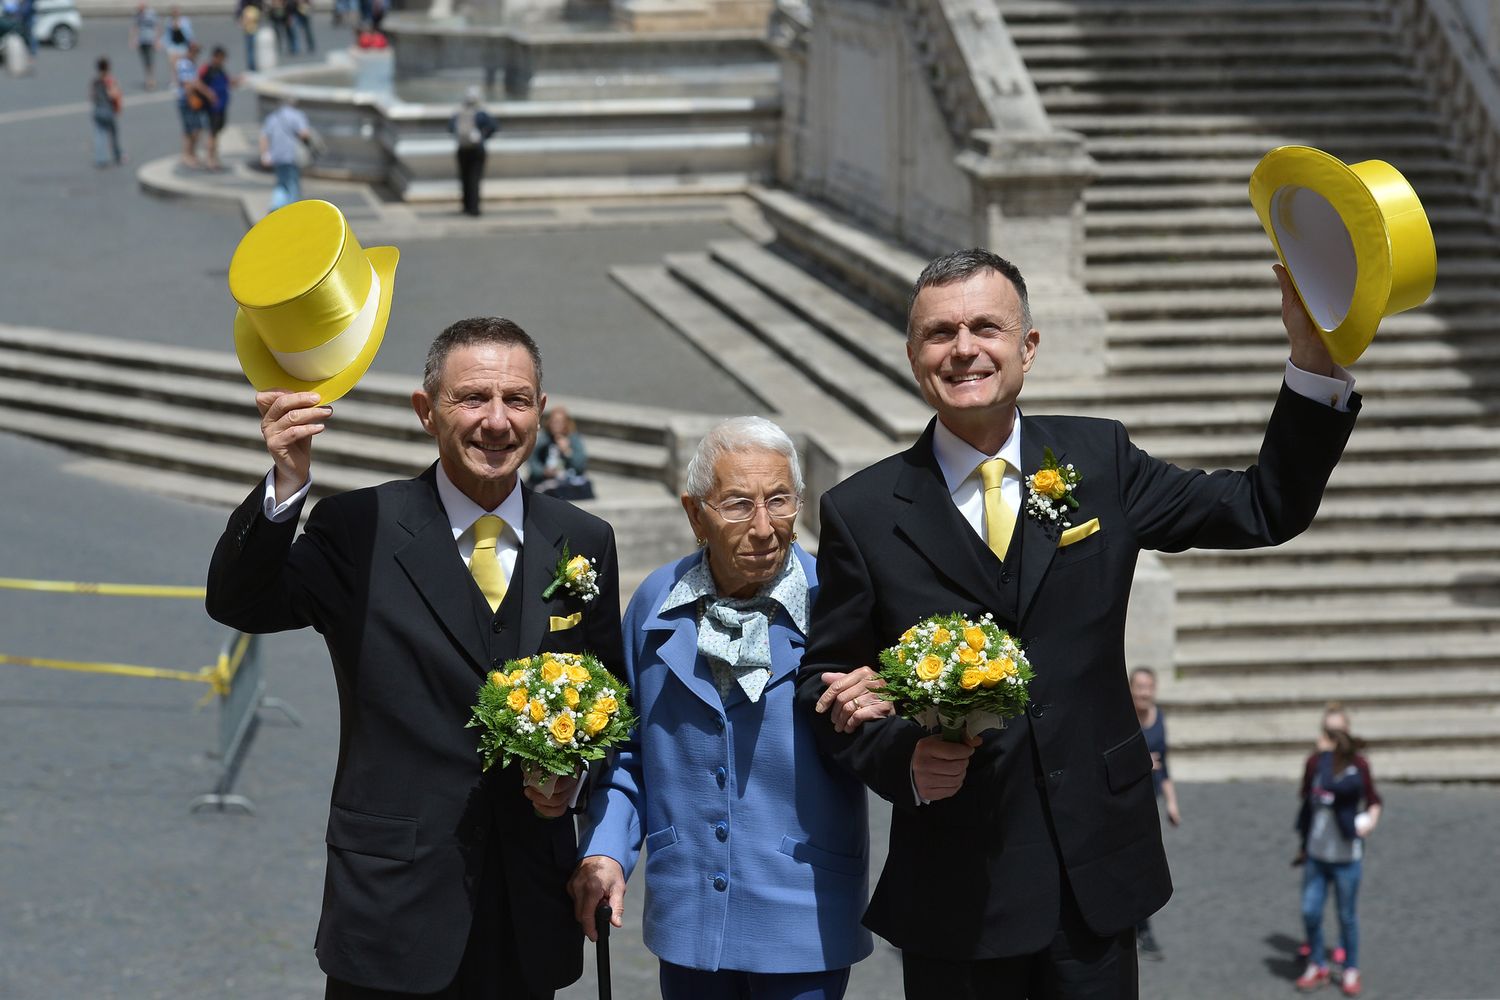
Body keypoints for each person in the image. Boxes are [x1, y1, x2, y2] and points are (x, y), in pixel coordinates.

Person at [795, 247, 1360, 999]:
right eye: (939, 333)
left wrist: (1311, 362)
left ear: (1028, 346)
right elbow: (825, 686)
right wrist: (902, 756)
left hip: (1095, 869)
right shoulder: (862, 511)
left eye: (986, 327)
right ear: (912, 355)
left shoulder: (1101, 458)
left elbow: (1263, 507)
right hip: (958, 889)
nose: (963, 349)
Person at [207, 315, 624, 998]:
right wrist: (286, 482)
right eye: (473, 398)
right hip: (392, 909)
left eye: (517, 400)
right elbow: (241, 603)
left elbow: (611, 703)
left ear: (541, 410)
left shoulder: (584, 538)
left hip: (527, 912)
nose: (497, 421)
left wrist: (574, 779)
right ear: (426, 411)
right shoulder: (359, 527)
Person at [570, 416, 884, 999]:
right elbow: (627, 750)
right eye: (739, 504)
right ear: (695, 515)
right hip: (688, 912)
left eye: (780, 500)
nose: (764, 527)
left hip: (804, 913)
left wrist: (886, 702)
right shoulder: (655, 604)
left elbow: (879, 741)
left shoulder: (839, 602)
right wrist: (607, 849)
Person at [1294, 728, 1382, 997]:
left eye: (1324, 741)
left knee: (1346, 917)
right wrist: (1303, 845)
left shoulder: (1353, 775)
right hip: (1317, 856)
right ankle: (1317, 963)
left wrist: (1368, 822)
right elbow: (1307, 803)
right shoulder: (1318, 767)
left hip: (1345, 859)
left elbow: (1352, 794)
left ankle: (1350, 968)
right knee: (1310, 911)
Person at [1129, 666, 1179, 960]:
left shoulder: (1159, 719)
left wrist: (1172, 803)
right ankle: (1137, 929)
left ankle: (1143, 929)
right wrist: (1141, 761)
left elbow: (1164, 765)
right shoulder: (1122, 718)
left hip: (1149, 804)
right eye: (1139, 687)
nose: (1144, 693)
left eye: (1148, 687)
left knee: (1145, 866)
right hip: (1124, 804)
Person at [449, 86, 496, 217]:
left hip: (462, 149)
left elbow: (451, 128)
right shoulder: (481, 112)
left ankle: (466, 206)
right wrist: (483, 137)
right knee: (474, 178)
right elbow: (494, 127)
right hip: (477, 149)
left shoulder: (459, 111)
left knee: (464, 178)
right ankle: (474, 208)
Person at [529, 406, 593, 500]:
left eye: (559, 422)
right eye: (553, 422)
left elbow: (580, 467)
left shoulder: (573, 439)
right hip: (546, 478)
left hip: (567, 479)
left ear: (566, 423)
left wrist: (567, 451)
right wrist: (543, 471)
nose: (556, 425)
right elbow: (533, 461)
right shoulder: (544, 439)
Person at [260, 95, 311, 207]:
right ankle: (293, 209)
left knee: (281, 183)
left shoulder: (273, 117)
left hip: (277, 155)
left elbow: (264, 137)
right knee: (292, 184)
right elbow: (304, 134)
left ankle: (276, 206)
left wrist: (265, 155)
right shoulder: (297, 116)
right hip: (291, 155)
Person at [173, 41, 215, 169]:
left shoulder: (191, 64)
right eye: (196, 51)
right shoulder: (184, 64)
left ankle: (191, 153)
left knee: (195, 129)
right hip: (186, 101)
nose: (197, 54)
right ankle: (187, 154)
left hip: (192, 100)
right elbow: (189, 84)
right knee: (191, 130)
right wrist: (206, 91)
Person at [197, 46, 237, 171]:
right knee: (212, 133)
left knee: (216, 133)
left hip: (221, 107)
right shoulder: (207, 69)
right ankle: (210, 159)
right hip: (213, 108)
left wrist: (236, 81)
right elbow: (197, 82)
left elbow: (227, 82)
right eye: (221, 58)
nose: (222, 61)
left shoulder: (221, 69)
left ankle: (214, 157)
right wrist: (209, 94)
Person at [90, 57, 124, 168]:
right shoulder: (109, 80)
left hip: (98, 110)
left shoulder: (95, 81)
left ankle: (100, 158)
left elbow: (92, 96)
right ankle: (118, 156)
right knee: (113, 135)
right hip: (108, 110)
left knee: (100, 135)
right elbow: (113, 94)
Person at [131, 2, 159, 89]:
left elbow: (156, 26)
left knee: (150, 60)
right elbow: (135, 27)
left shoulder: (151, 13)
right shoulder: (137, 15)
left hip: (150, 39)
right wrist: (134, 39)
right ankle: (147, 79)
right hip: (142, 40)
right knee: (145, 61)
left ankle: (152, 79)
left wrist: (157, 40)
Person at [236, 0, 260, 72]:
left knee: (249, 50)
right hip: (253, 31)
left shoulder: (245, 10)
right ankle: (253, 66)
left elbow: (242, 21)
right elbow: (257, 19)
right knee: (253, 50)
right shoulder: (255, 10)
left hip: (247, 31)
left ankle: (250, 66)